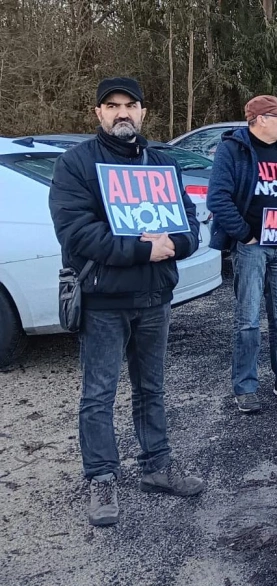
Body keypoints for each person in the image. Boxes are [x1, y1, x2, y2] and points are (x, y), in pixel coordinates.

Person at [48, 77, 206, 526]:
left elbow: (190, 225)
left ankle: (157, 466)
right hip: (103, 300)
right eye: (112, 105)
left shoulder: (161, 163)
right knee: (98, 395)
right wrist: (142, 248)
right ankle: (101, 477)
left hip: (155, 296)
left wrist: (177, 243)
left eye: (130, 105)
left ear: (143, 112)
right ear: (98, 113)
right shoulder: (76, 165)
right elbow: (77, 233)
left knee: (151, 388)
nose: (122, 112)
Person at [207, 95, 277, 413]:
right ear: (260, 119)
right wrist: (246, 235)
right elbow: (218, 198)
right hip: (252, 248)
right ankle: (245, 387)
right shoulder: (232, 149)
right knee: (248, 319)